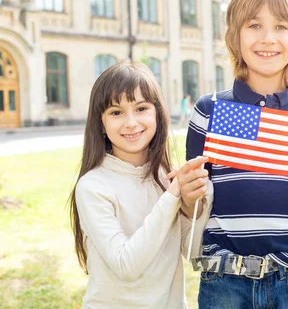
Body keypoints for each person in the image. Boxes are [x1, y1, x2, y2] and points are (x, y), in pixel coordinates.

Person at [186, 0, 288, 308]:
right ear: (235, 37)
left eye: (281, 27)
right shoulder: (211, 110)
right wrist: (187, 194)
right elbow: (194, 209)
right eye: (254, 25)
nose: (267, 37)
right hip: (224, 279)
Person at [68, 61, 213, 309]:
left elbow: (192, 253)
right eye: (116, 112)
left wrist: (197, 202)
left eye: (141, 108)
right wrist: (173, 195)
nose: (131, 122)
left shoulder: (165, 176)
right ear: (100, 123)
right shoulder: (93, 186)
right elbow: (127, 265)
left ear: (157, 113)